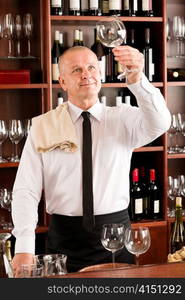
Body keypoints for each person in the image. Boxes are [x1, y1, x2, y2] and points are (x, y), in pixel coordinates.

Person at [11, 45, 171, 276]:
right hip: (63, 240)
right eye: (76, 70)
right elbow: (26, 189)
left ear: (100, 75)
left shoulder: (123, 119)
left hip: (117, 237)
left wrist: (137, 78)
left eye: (91, 67)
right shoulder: (43, 126)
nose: (85, 74)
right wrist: (23, 246)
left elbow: (160, 122)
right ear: (62, 82)